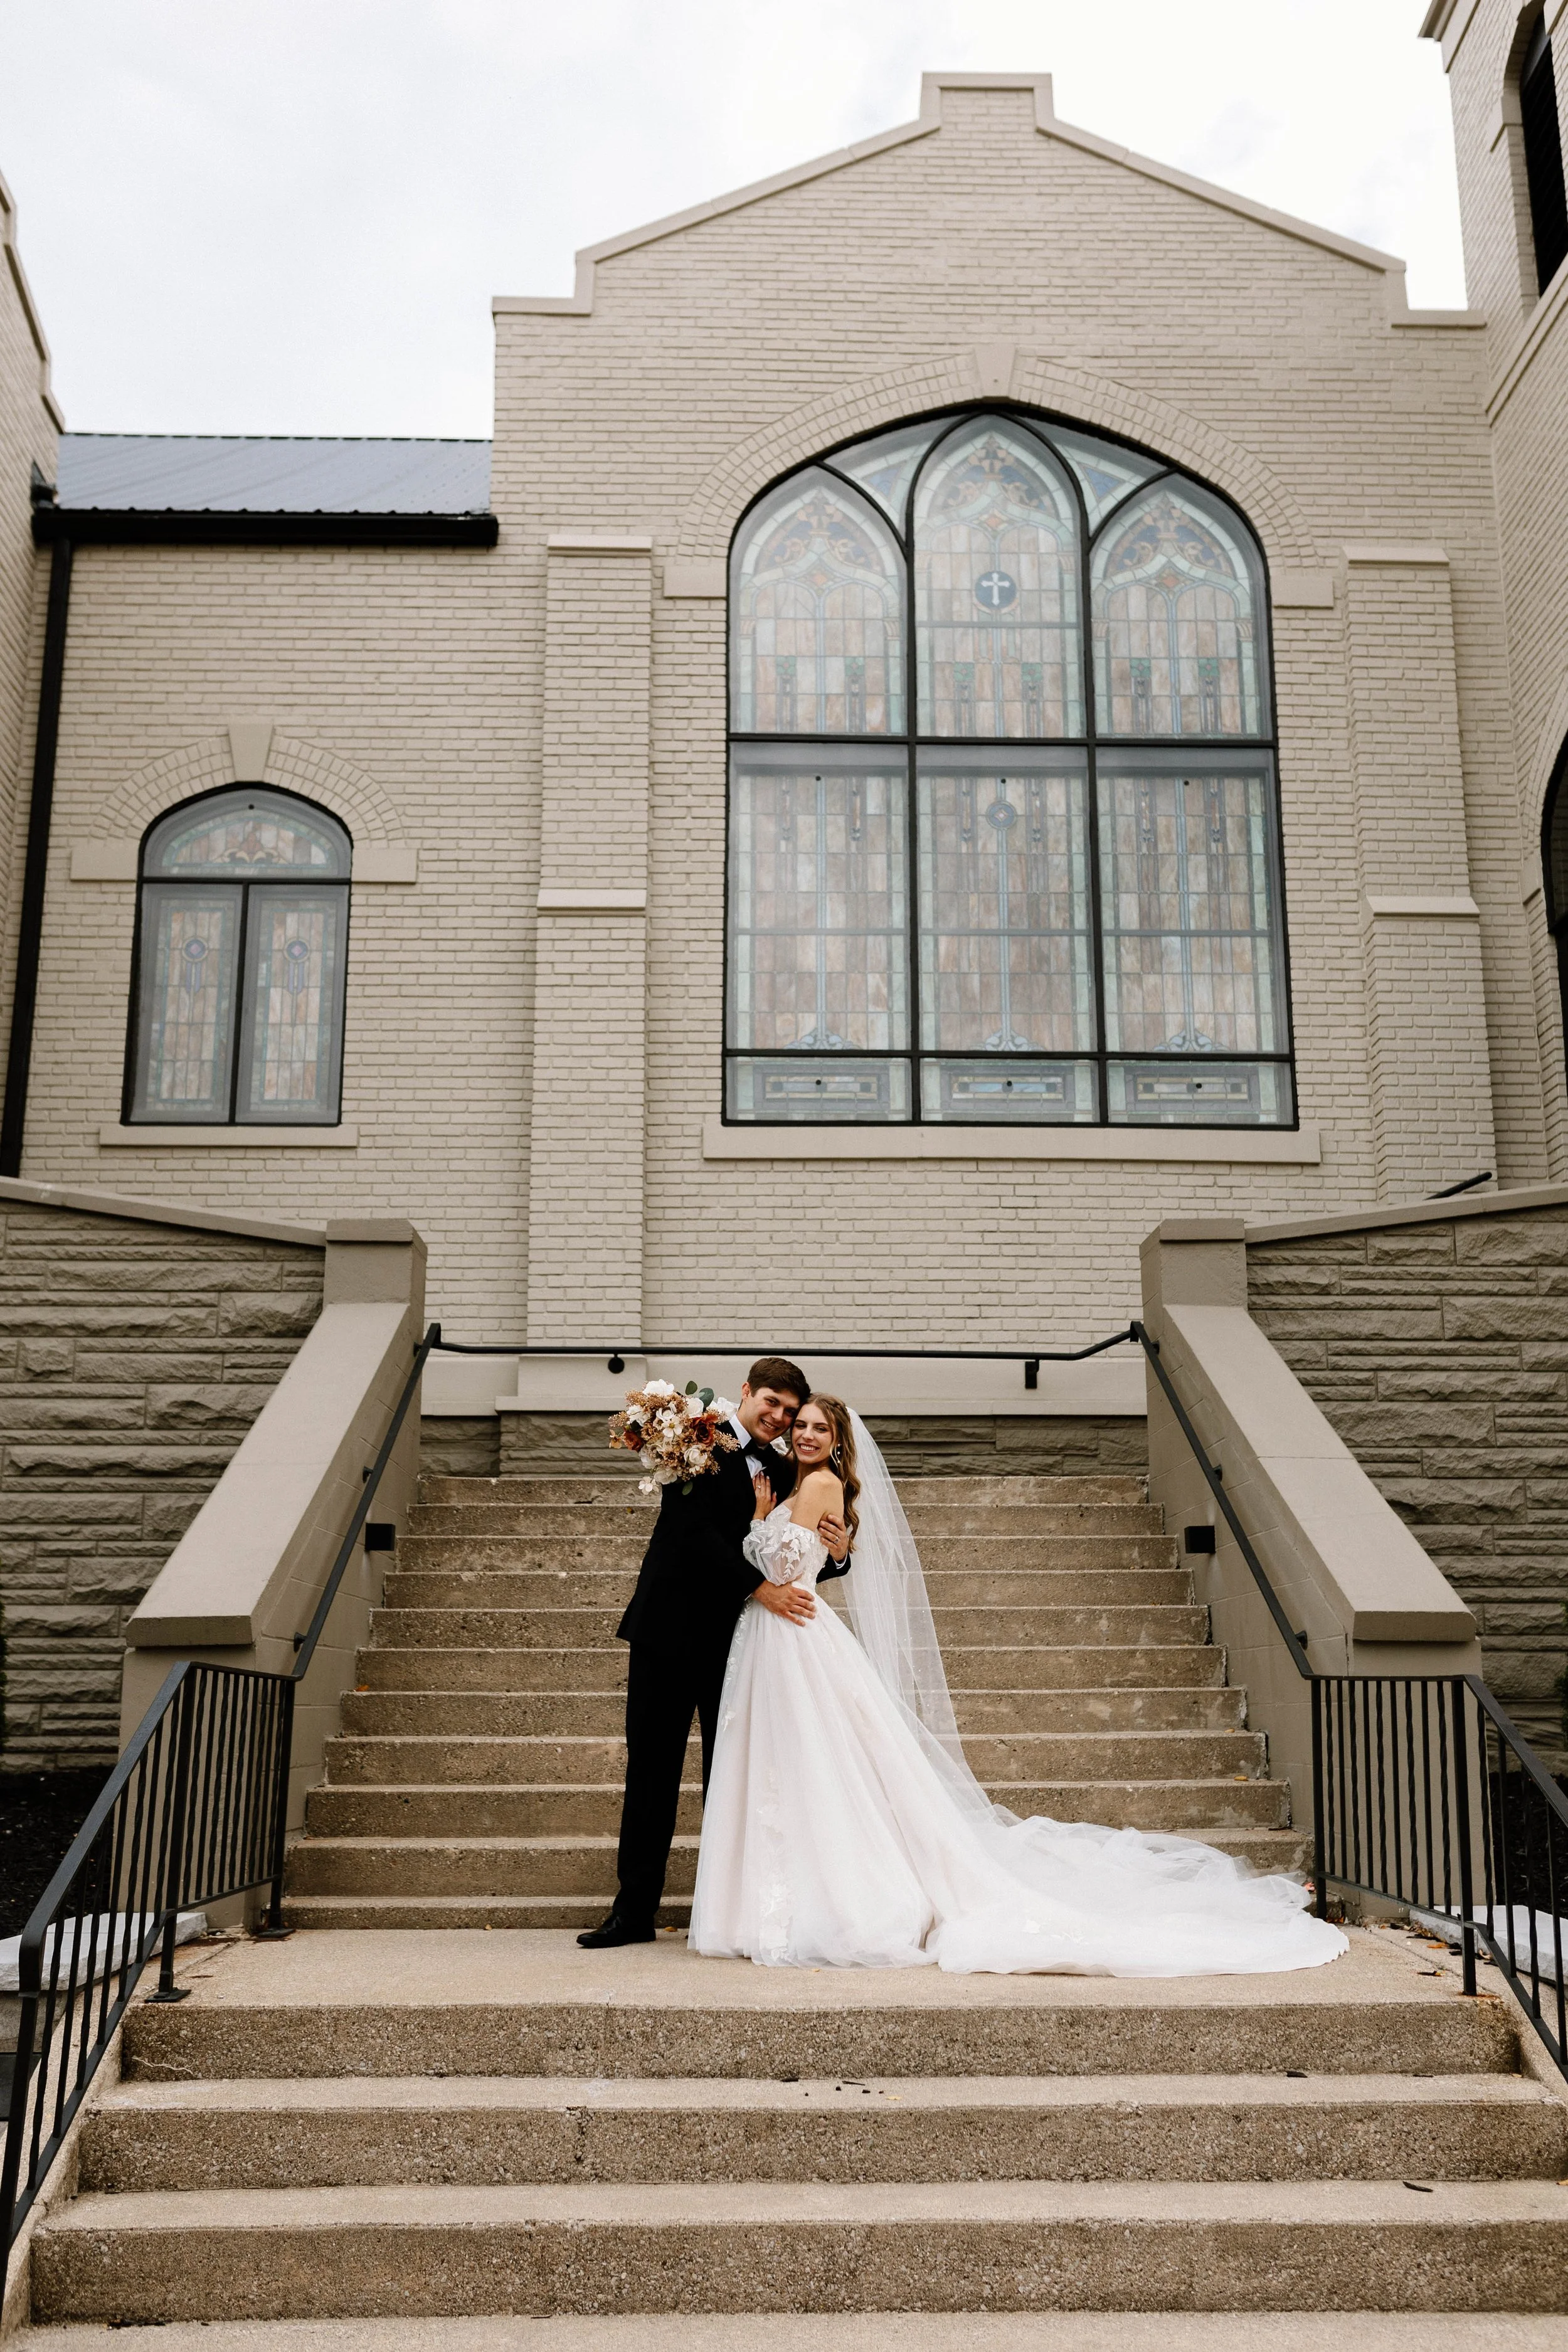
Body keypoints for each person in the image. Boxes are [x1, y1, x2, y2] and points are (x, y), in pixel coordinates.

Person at [687, 1397, 1348, 1978]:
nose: (803, 1434)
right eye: (798, 1424)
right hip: (777, 1641)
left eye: (816, 1427)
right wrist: (774, 1525)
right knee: (791, 1770)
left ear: (836, 1440)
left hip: (794, 1635)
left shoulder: (819, 1487)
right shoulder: (795, 1486)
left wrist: (760, 1527)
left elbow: (782, 1565)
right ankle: (783, 1895)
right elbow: (803, 1555)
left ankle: (835, 1901)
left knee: (816, 1769)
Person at [576, 1356, 850, 1949]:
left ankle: (728, 1909)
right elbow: (689, 1533)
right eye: (770, 1403)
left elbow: (795, 1558)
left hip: (740, 1646)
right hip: (667, 1634)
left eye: (789, 1410)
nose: (779, 1418)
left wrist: (842, 1552)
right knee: (652, 1772)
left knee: (732, 1777)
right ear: (746, 1393)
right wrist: (761, 1589)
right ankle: (633, 1912)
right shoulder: (695, 1439)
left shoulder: (787, 1471)